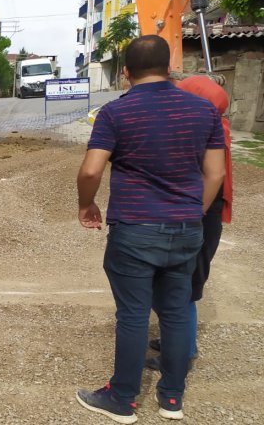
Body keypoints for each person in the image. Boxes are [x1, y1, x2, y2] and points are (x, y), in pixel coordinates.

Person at [74, 35, 225, 424]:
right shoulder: (204, 111)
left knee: (134, 315)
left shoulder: (115, 113)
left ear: (125, 73)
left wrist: (86, 203)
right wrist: (192, 212)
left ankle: (122, 399)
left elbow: (91, 169)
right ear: (170, 68)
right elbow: (216, 173)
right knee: (175, 312)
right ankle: (172, 399)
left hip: (135, 230)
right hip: (187, 227)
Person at [146, 75, 234, 370]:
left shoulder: (203, 132)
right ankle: (179, 340)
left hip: (197, 217)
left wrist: (189, 218)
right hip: (201, 216)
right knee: (178, 286)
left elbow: (209, 178)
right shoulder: (215, 126)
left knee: (181, 289)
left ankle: (182, 351)